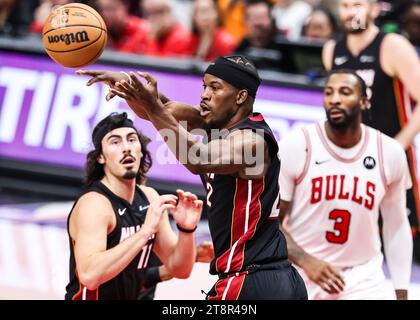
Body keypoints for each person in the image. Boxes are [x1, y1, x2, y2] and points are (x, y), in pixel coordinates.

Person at [77, 55, 308, 300]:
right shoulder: (214, 125)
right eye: (204, 86)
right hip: (272, 280)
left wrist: (153, 106)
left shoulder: (253, 142)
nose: (204, 95)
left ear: (240, 97)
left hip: (250, 281)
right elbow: (158, 110)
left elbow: (197, 159)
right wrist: (126, 83)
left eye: (215, 88)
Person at [278, 70, 413, 300]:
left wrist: (401, 293)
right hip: (301, 269)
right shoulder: (297, 144)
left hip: (362, 276)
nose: (335, 99)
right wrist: (305, 260)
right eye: (329, 92)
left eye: (345, 92)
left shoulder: (389, 152)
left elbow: (397, 226)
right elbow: (268, 223)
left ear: (364, 102)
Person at [64, 112, 203, 300]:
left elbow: (179, 269)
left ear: (141, 150)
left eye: (131, 140)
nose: (126, 148)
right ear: (101, 158)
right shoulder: (95, 205)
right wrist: (145, 232)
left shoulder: (149, 198)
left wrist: (186, 230)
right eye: (115, 142)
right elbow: (90, 275)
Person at [323, 0, 420, 263]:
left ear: (374, 10)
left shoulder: (392, 46)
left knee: (403, 242)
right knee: (353, 244)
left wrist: (398, 144)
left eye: (358, 5)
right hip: (351, 158)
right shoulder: (332, 50)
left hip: (392, 156)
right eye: (345, 6)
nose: (351, 11)